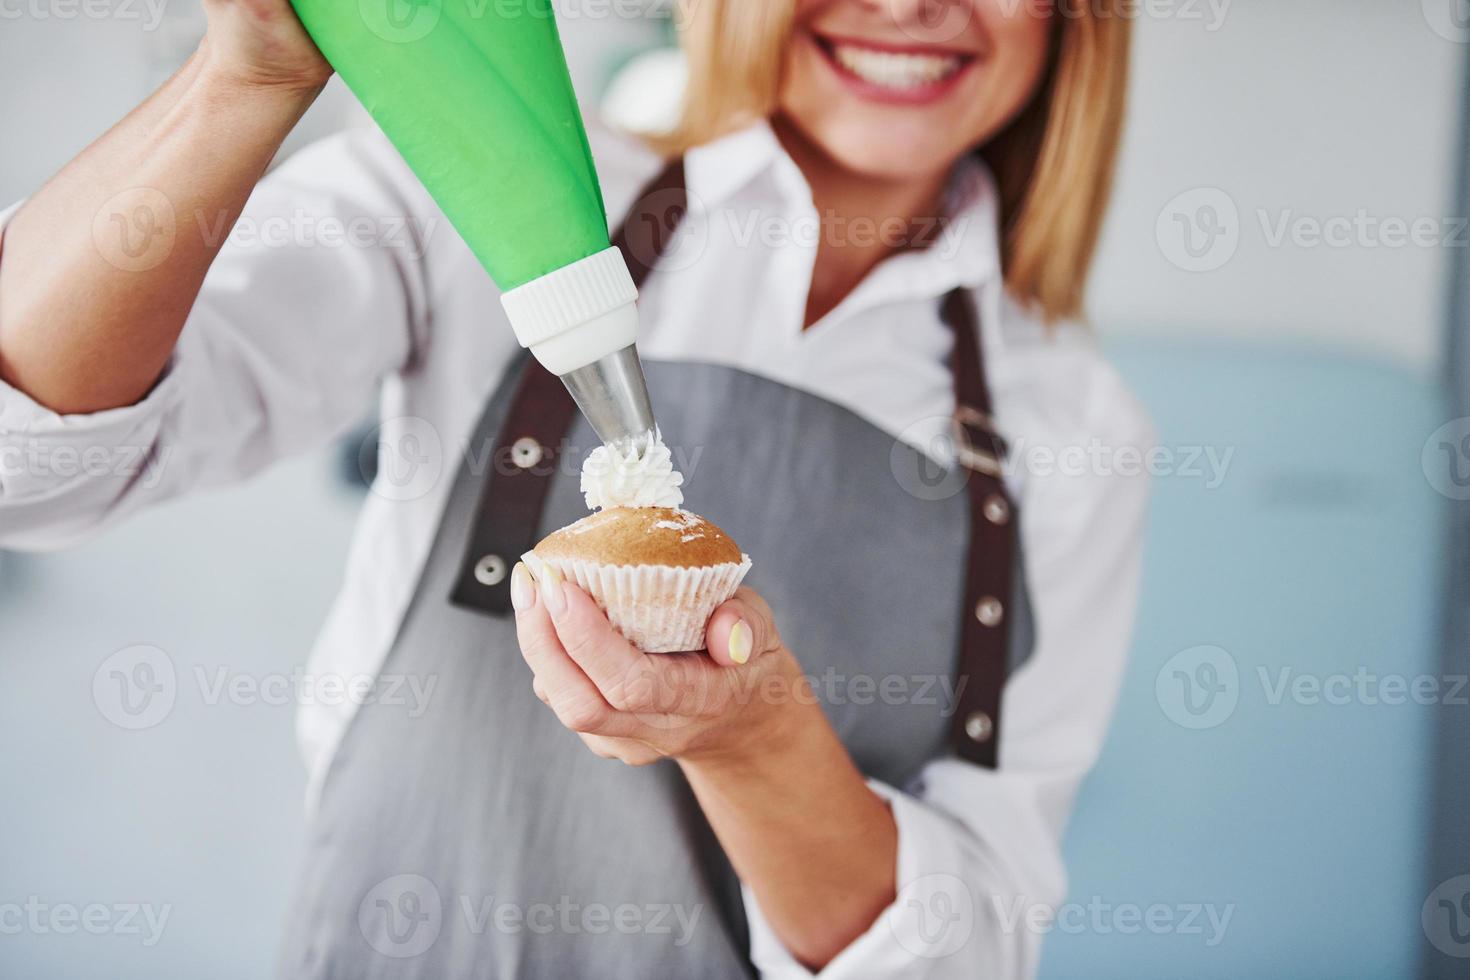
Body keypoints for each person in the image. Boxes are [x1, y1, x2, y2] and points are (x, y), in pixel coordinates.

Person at [0, 0, 1151, 976]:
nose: (910, 4)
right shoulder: (482, 182)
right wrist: (239, 84)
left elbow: (969, 946)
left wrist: (751, 735)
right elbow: (30, 465)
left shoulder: (1075, 425)